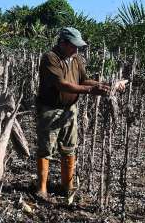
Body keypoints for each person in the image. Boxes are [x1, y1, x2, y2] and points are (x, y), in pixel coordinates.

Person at [35, 27, 125, 203]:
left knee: (69, 147)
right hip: (50, 109)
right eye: (73, 46)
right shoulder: (50, 58)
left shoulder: (75, 58)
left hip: (70, 109)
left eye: (78, 47)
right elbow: (62, 85)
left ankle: (67, 187)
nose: (76, 50)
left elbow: (83, 80)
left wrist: (107, 85)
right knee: (46, 148)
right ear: (62, 43)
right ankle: (41, 188)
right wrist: (92, 90)